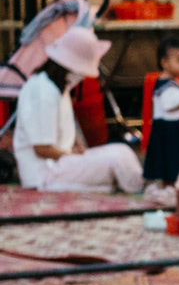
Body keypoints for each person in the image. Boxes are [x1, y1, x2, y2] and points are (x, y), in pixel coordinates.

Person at [10, 26, 142, 193]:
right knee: (118, 157)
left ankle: (137, 186)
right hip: (45, 173)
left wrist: (78, 148)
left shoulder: (59, 88)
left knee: (122, 153)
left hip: (60, 163)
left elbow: (65, 131)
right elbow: (42, 149)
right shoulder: (42, 90)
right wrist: (74, 157)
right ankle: (142, 191)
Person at [142, 37, 179, 184]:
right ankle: (169, 183)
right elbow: (168, 105)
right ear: (164, 63)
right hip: (169, 128)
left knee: (177, 156)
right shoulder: (164, 85)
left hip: (177, 124)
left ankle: (174, 181)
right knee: (171, 157)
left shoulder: (173, 82)